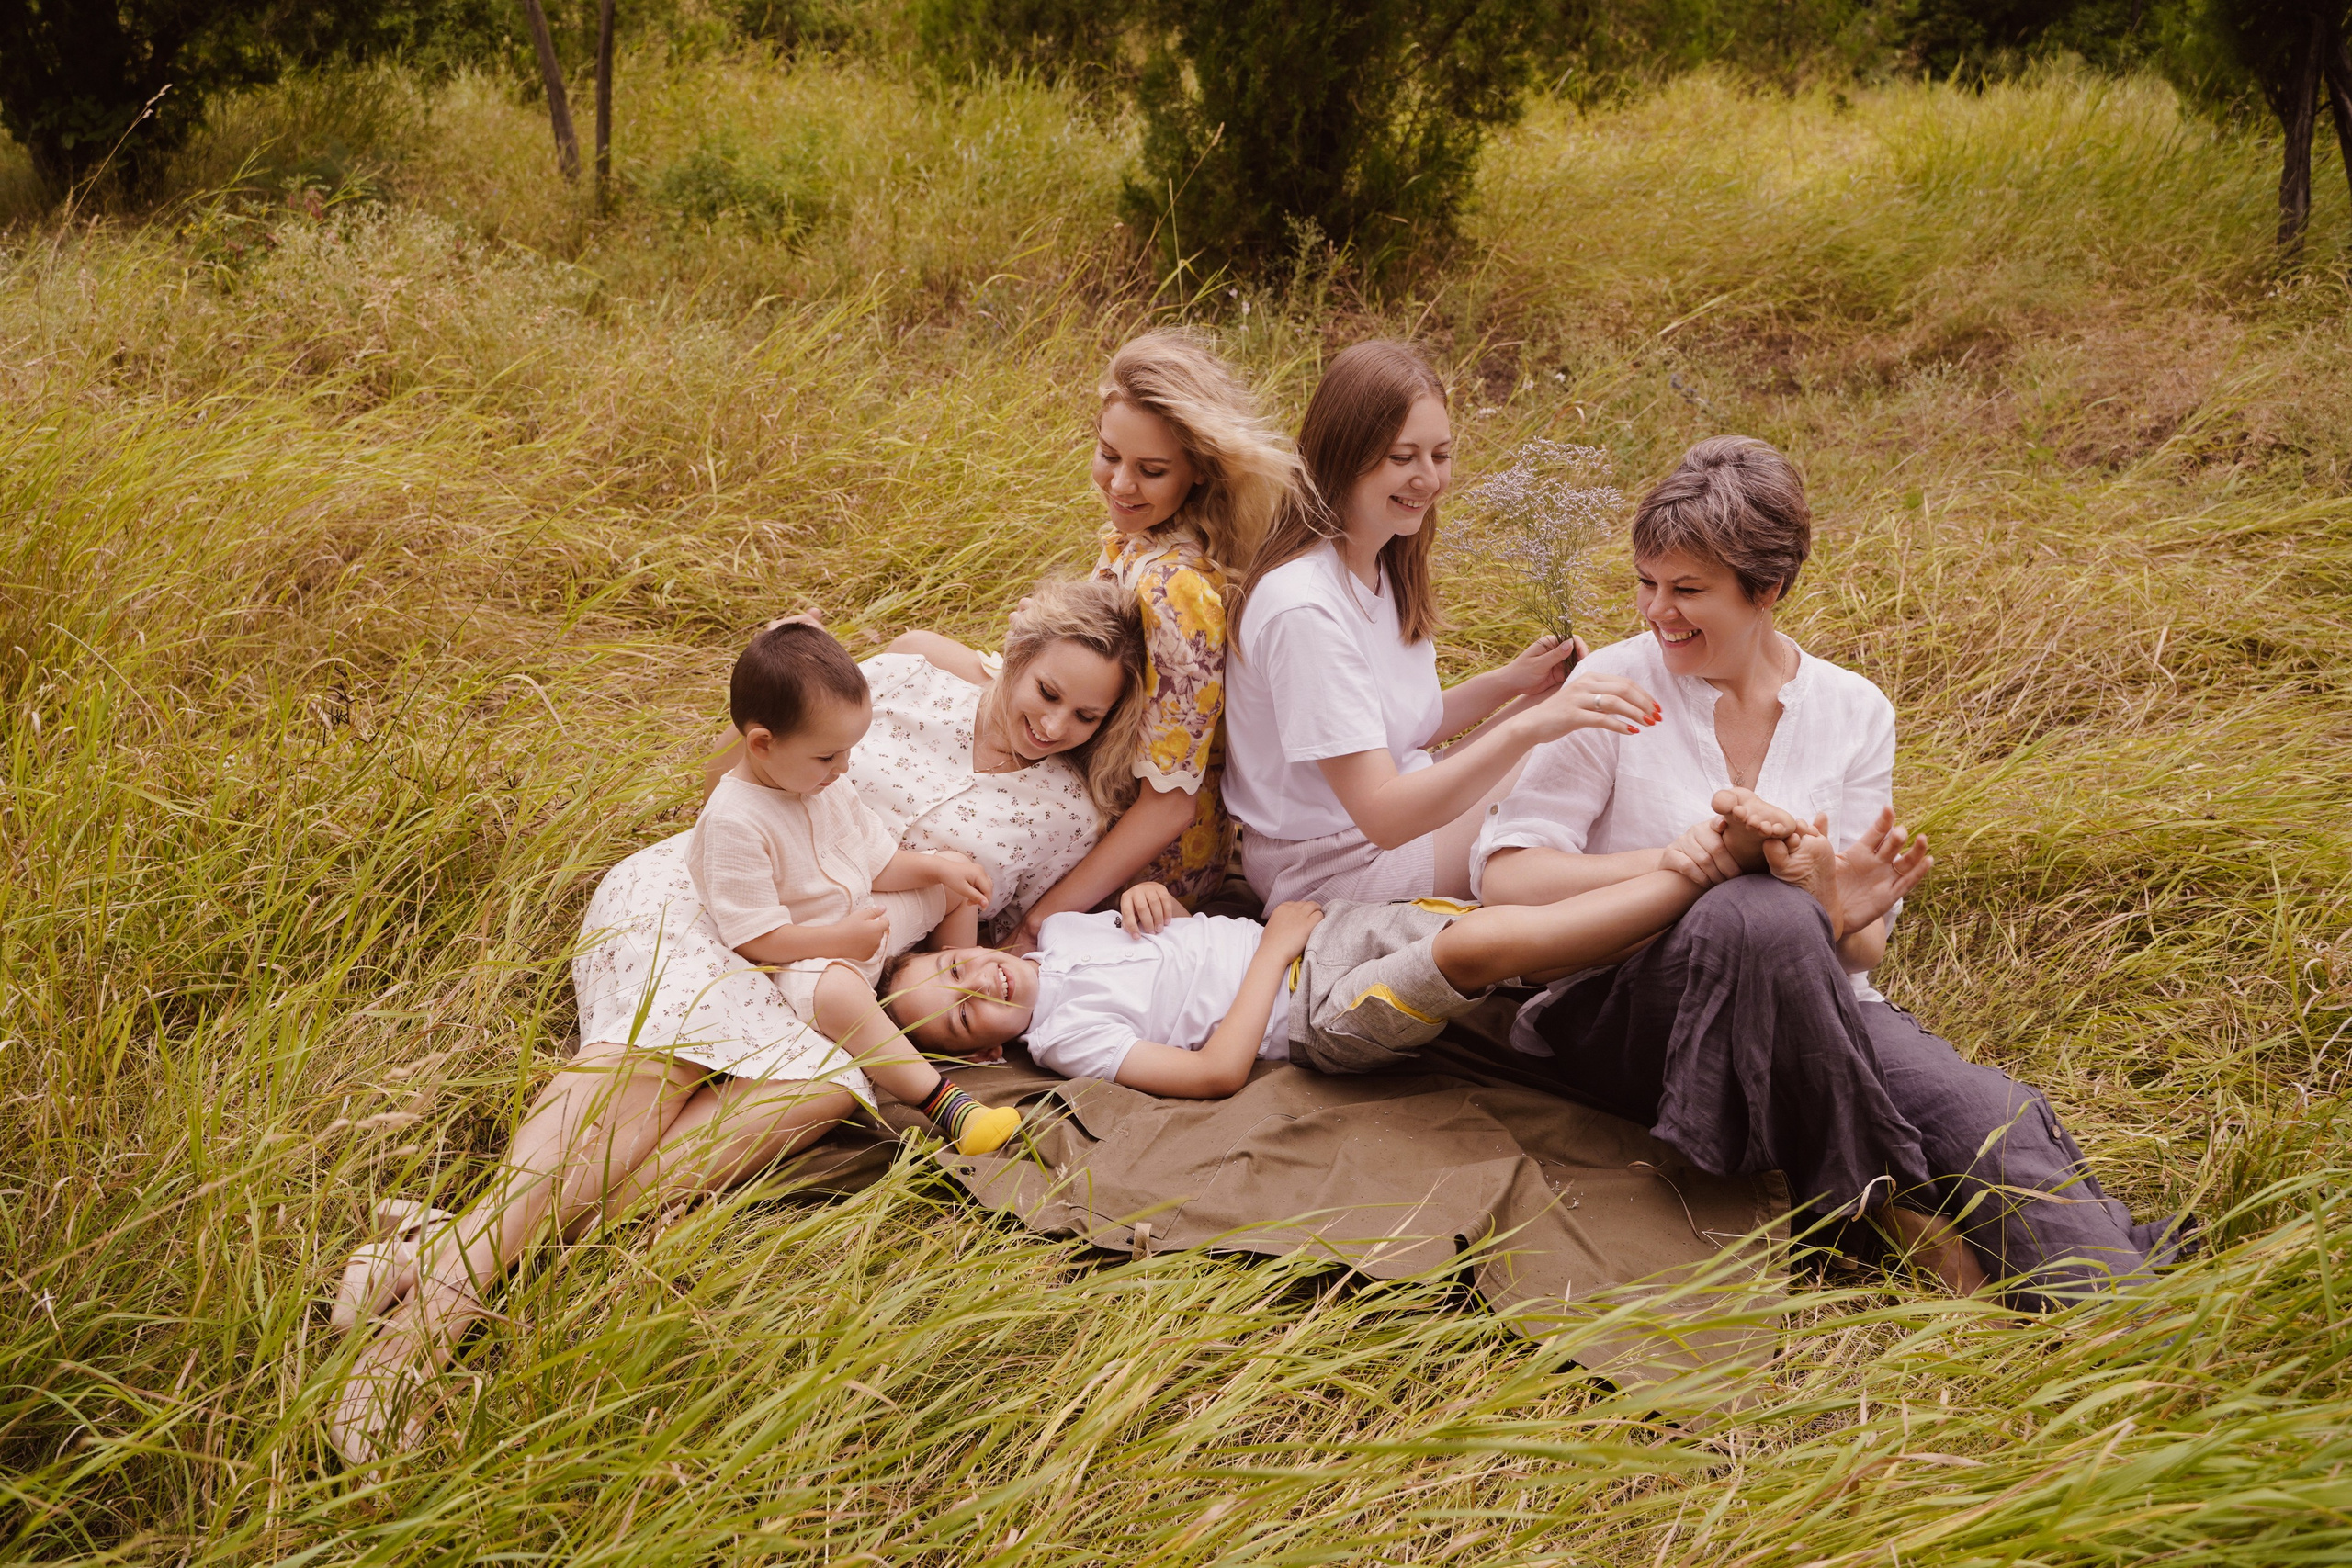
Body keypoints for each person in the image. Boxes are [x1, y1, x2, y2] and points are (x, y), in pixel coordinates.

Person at [325, 578, 1148, 1462]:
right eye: (1046, 692)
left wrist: (1149, 905)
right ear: (1015, 655)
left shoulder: (1067, 812)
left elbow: (1006, 934)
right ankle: (419, 1337)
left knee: (821, 1092)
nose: (1054, 725)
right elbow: (733, 776)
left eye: (1086, 716)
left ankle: (440, 1251)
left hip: (826, 974)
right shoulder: (908, 679)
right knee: (654, 1071)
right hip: (719, 905)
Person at [1473, 434, 2187, 1302]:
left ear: (1768, 588)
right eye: (1646, 582)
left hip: (1818, 1014)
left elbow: (1859, 951)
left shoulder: (1853, 710)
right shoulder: (1614, 685)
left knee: (1981, 1116)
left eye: (1688, 590)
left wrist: (1827, 897)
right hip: (1625, 1012)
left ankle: (2120, 1307)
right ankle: (1889, 1207)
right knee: (1754, 912)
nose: (1658, 611)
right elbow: (1507, 880)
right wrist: (1678, 864)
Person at [883, 794, 1834, 1101]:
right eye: (965, 1014)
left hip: (1328, 932)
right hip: (1317, 1013)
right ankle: (1698, 871)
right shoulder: (1063, 1039)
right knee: (1478, 945)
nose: (980, 981)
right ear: (983, 1054)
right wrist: (1272, 951)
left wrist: (1148, 897)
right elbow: (1213, 1073)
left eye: (955, 966)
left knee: (1522, 943)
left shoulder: (1055, 934)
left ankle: (1724, 904)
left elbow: (965, 892)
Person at [1221, 339, 1663, 908]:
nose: (1428, 479)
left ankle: (1667, 868)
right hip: (1333, 869)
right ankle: (1673, 866)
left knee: (1574, 703)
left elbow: (1398, 733)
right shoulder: (1304, 609)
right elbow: (1382, 815)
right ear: (1342, 455)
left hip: (1388, 822)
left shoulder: (1380, 565)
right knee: (1573, 738)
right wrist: (1531, 725)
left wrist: (1512, 686)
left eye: (1441, 455)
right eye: (1402, 458)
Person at [978, 332, 1302, 947]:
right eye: (1109, 455)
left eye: (1151, 471)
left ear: (1199, 471)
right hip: (1081, 779)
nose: (1121, 484)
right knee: (916, 660)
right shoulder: (1135, 545)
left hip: (1145, 873)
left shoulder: (1177, 591)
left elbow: (1168, 805)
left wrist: (1033, 928)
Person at [687, 619, 1016, 1155]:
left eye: (848, 752)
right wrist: (838, 941)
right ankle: (949, 1106)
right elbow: (755, 940)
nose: (843, 767)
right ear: (763, 743)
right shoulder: (735, 821)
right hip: (800, 960)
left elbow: (877, 865)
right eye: (828, 755)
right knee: (840, 991)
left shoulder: (824, 786)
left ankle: (944, 995)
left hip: (858, 924)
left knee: (954, 870)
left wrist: (937, 870)